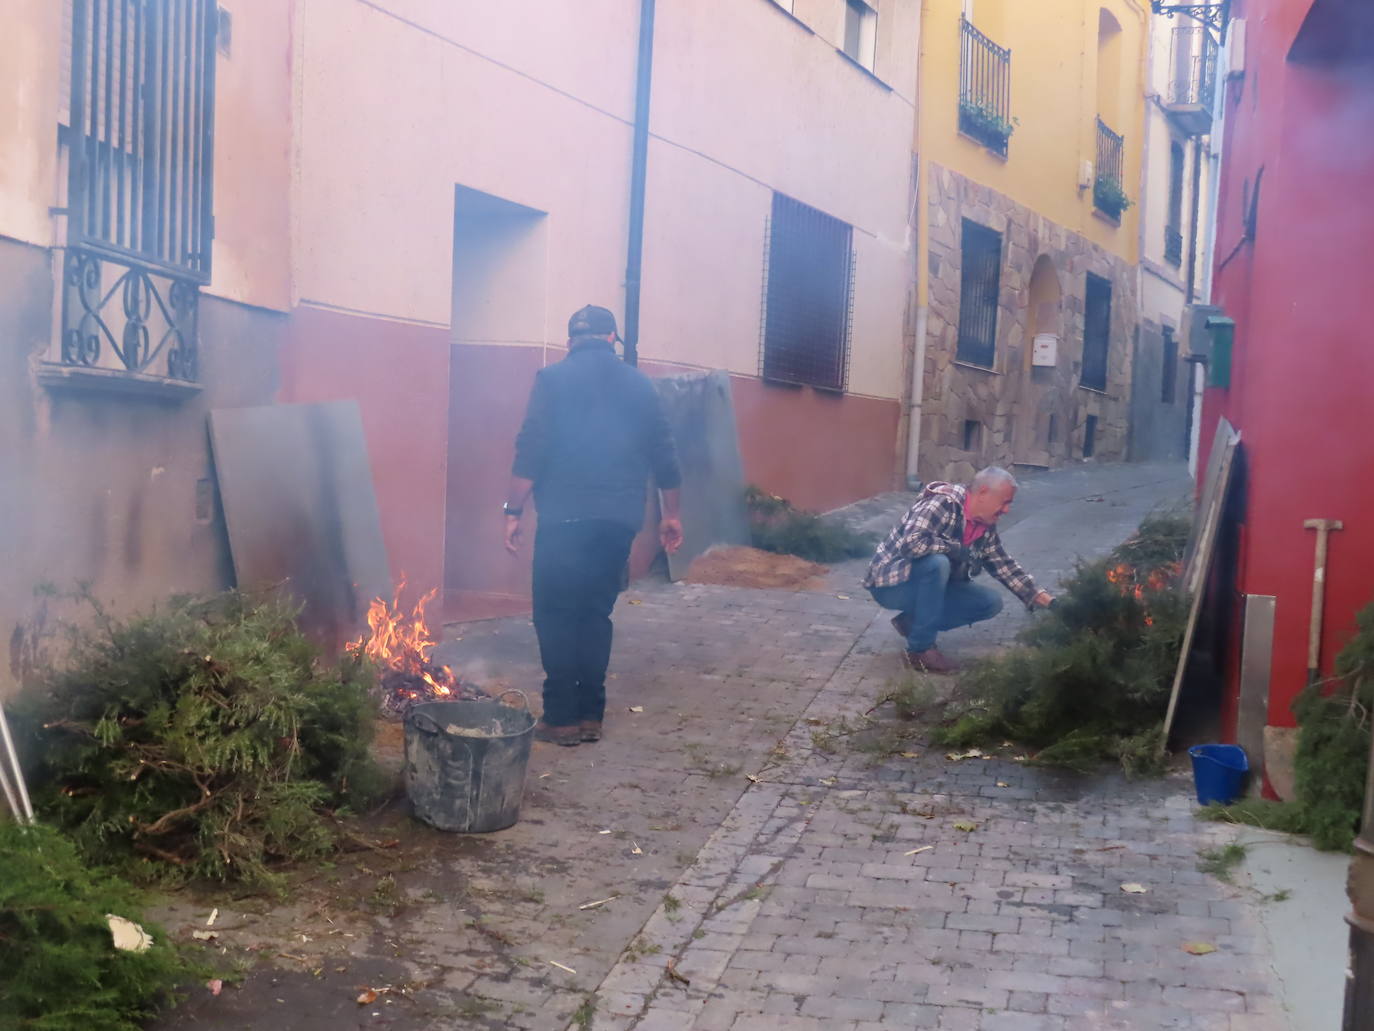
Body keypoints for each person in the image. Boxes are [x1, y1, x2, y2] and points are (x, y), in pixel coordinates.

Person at [504, 305, 683, 746]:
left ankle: (561, 717)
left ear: (570, 341)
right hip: (618, 519)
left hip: (564, 517)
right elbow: (664, 454)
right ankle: (590, 716)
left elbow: (532, 447)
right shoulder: (640, 385)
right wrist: (671, 514)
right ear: (611, 339)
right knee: (594, 613)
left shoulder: (551, 380)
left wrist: (513, 510)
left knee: (555, 613)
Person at [863, 466, 1053, 673]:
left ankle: (914, 624)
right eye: (1005, 502)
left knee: (989, 602)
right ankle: (920, 651)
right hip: (891, 585)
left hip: (926, 586)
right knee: (937, 563)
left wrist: (1045, 600)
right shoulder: (942, 503)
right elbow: (910, 544)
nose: (1007, 510)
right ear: (983, 493)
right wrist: (954, 549)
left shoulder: (984, 524)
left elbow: (1003, 565)